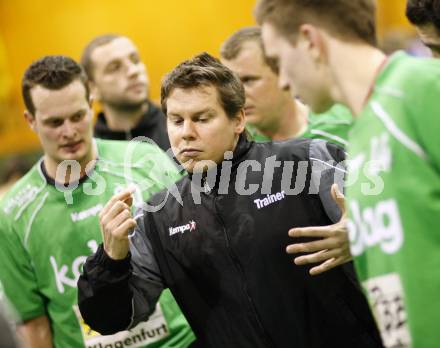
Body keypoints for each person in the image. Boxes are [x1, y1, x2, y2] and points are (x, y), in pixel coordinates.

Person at [77, 52, 382, 348]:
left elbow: (407, 225)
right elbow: (111, 320)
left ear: (238, 120)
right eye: (176, 120)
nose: (187, 133)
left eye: (202, 118)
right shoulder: (159, 216)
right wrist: (111, 261)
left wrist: (362, 235)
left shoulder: (307, 161)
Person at [255, 0, 440, 347]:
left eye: (278, 61)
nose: (281, 80)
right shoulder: (362, 130)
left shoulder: (422, 87)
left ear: (311, 41)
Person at [0, 55, 195, 347]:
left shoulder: (145, 160)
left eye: (77, 116)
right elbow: (34, 325)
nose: (69, 131)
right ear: (30, 120)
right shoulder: (13, 213)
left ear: (91, 105)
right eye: (54, 122)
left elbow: (198, 258)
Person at [220, 26, 352, 147]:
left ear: (284, 73)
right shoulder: (231, 146)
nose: (237, 94)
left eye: (249, 80)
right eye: (232, 84)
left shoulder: (344, 126)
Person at [81, 34, 171, 151]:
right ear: (92, 89)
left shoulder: (180, 129)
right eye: (115, 67)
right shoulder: (89, 151)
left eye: (135, 60)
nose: (133, 71)